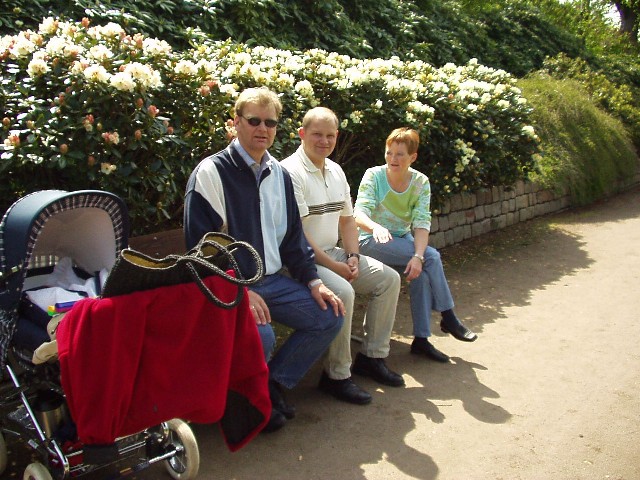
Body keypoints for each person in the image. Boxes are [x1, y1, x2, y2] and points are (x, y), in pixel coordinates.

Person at [184, 87, 344, 433]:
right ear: (235, 123)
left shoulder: (280, 175)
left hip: (272, 281)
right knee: (263, 335)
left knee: (328, 315)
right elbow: (200, 248)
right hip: (225, 285)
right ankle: (252, 403)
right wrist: (238, 290)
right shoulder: (211, 173)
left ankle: (268, 388)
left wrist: (314, 281)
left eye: (270, 122)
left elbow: (292, 241)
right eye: (253, 120)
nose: (263, 129)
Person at [281, 107, 404, 406]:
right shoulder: (289, 172)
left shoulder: (335, 170)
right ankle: (337, 375)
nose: (324, 141)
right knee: (343, 292)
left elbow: (348, 220)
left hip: (334, 253)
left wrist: (351, 255)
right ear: (301, 134)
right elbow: (297, 236)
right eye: (317, 135)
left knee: (389, 280)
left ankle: (372, 357)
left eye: (330, 135)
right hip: (298, 262)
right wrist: (335, 266)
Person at [353, 127, 477, 364]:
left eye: (400, 154)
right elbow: (358, 213)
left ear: (413, 157)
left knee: (420, 270)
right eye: (389, 153)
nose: (393, 159)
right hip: (369, 241)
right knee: (432, 257)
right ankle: (449, 316)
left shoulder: (420, 182)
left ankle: (421, 340)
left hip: (401, 243)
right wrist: (375, 227)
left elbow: (421, 223)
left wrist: (417, 256)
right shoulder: (374, 175)